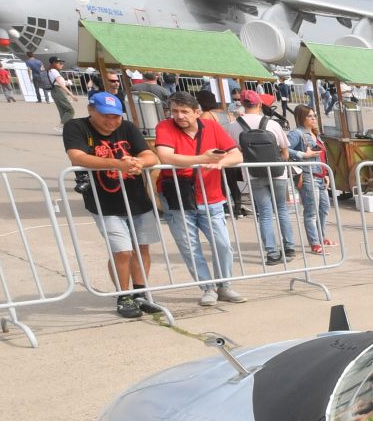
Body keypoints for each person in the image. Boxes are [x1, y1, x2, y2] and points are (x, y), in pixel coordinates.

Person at [62, 91, 164, 318]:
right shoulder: (76, 127)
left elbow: (150, 156)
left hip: (137, 198)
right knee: (122, 251)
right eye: (106, 116)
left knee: (142, 247)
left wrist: (137, 162)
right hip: (105, 202)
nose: (112, 121)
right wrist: (117, 164)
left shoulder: (127, 127)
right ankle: (123, 295)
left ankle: (141, 292)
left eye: (116, 116)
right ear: (91, 110)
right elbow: (77, 156)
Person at [151, 90, 247, 307]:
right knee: (190, 246)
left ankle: (224, 285)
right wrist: (203, 159)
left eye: (184, 111)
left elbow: (236, 154)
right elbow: (166, 156)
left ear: (197, 112)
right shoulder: (165, 127)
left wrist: (221, 163)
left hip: (211, 195)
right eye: (174, 111)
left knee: (222, 244)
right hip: (178, 196)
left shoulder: (211, 126)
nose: (179, 116)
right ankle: (207, 288)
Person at [235, 91, 299, 263]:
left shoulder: (234, 125)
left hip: (254, 173)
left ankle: (271, 252)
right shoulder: (271, 124)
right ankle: (290, 247)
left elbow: (234, 151)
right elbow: (285, 152)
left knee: (264, 213)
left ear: (242, 104)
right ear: (259, 104)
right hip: (278, 172)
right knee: (282, 209)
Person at [285, 104, 332, 254]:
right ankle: (314, 242)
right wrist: (302, 155)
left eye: (314, 116)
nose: (313, 119)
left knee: (324, 208)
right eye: (310, 116)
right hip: (307, 176)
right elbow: (285, 149)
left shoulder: (315, 134)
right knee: (311, 211)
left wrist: (325, 174)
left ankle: (321, 236)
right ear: (301, 118)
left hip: (319, 175)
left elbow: (322, 156)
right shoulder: (296, 133)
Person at [47, 59, 76, 126]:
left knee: (62, 110)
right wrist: (71, 95)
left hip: (55, 90)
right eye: (60, 63)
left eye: (62, 63)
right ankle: (61, 125)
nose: (62, 65)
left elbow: (59, 82)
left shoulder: (51, 71)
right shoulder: (54, 71)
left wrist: (66, 82)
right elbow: (61, 84)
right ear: (54, 63)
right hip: (59, 91)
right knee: (70, 110)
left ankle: (65, 128)